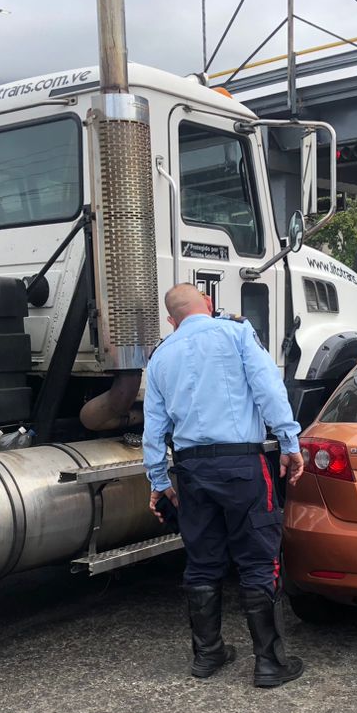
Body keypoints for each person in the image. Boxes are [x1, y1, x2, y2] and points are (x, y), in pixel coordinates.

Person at [142, 284, 306, 688]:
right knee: (257, 559)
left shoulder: (162, 355)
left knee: (202, 560)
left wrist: (159, 480)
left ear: (171, 320)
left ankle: (207, 654)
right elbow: (268, 390)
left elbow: (153, 425)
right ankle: (269, 663)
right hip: (241, 464)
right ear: (209, 306)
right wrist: (289, 442)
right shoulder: (235, 333)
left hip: (191, 471)